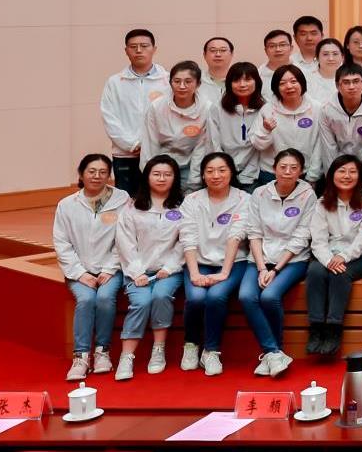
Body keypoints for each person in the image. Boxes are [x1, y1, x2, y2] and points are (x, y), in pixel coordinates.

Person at [240, 148, 314, 377]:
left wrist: (276, 269)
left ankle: (273, 352)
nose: (288, 172)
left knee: (270, 296)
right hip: (260, 258)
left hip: (293, 259)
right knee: (246, 296)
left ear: (301, 171)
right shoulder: (260, 193)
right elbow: (253, 232)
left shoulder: (308, 195)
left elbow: (302, 236)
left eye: (293, 168)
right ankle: (274, 353)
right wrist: (262, 267)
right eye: (283, 167)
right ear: (274, 169)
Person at [56, 154, 130, 380]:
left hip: (112, 268)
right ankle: (80, 357)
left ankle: (102, 352)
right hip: (79, 271)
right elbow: (62, 242)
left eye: (103, 172)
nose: (97, 176)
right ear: (81, 174)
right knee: (86, 299)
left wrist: (109, 269)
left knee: (105, 298)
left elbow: (125, 238)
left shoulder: (122, 199)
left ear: (109, 175)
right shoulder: (67, 205)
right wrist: (80, 273)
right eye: (91, 171)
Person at [114, 156, 185, 380]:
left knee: (161, 296)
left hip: (168, 271)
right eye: (156, 174)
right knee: (141, 302)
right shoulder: (132, 207)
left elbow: (185, 242)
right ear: (147, 177)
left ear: (175, 178)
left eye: (167, 174)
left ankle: (158, 349)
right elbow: (125, 242)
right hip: (137, 271)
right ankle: (127, 356)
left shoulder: (184, 207)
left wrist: (170, 268)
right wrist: (137, 272)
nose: (162, 178)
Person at [181, 152, 251, 375]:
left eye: (222, 170)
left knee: (216, 296)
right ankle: (191, 345)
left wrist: (224, 273)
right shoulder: (192, 200)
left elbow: (236, 235)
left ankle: (211, 351)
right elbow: (188, 237)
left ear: (231, 172)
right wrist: (194, 273)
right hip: (198, 261)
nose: (216, 175)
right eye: (210, 171)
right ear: (202, 175)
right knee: (196, 298)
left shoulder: (243, 199)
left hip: (233, 262)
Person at [304, 155, 362, 358]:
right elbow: (318, 240)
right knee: (315, 270)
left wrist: (344, 256)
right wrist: (328, 260)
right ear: (332, 175)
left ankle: (334, 328)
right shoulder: (322, 202)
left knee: (340, 274)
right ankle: (316, 327)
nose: (347, 176)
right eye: (341, 171)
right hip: (329, 254)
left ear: (359, 175)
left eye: (352, 172)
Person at [102, 29, 166, 193]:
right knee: (126, 200)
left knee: (158, 198)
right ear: (126, 51)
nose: (138, 50)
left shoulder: (167, 80)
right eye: (133, 47)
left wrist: (151, 144)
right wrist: (131, 144)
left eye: (144, 46)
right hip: (125, 154)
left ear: (154, 49)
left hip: (159, 152)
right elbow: (109, 117)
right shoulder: (115, 82)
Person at [141, 60, 212, 175]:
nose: (182, 86)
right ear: (170, 83)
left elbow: (201, 147)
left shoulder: (207, 109)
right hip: (161, 165)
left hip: (190, 165)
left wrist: (194, 179)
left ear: (198, 84)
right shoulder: (157, 107)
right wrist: (151, 173)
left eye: (188, 81)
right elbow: (150, 144)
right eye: (177, 81)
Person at [264, 66, 333, 183]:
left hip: (306, 173)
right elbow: (258, 144)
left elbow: (320, 145)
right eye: (282, 83)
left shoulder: (317, 109)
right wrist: (265, 130)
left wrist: (313, 176)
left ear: (302, 83)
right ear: (276, 87)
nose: (289, 86)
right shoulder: (267, 109)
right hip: (273, 173)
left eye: (293, 81)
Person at [320, 64, 362, 189]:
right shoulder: (327, 109)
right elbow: (328, 147)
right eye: (346, 82)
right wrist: (331, 178)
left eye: (356, 81)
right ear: (337, 85)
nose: (351, 87)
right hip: (339, 163)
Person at [199, 37, 236, 105]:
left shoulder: (241, 82)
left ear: (232, 54)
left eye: (223, 50)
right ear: (204, 55)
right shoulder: (196, 81)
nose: (218, 54)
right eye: (213, 50)